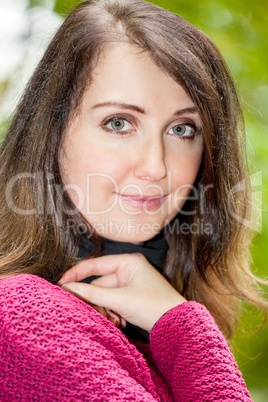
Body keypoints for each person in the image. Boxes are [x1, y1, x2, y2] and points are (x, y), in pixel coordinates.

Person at [0, 0, 266, 400]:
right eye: (119, 123)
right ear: (52, 134)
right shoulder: (24, 314)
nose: (156, 167)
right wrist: (184, 329)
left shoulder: (147, 315)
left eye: (182, 129)